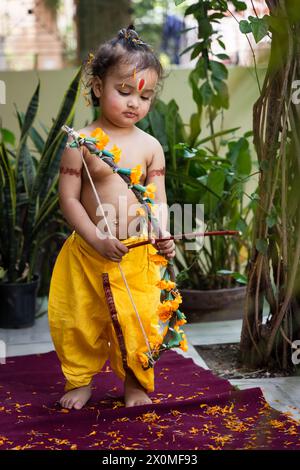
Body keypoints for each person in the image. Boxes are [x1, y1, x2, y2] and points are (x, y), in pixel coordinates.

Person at [48, 25, 175, 410]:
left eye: (146, 95)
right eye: (125, 91)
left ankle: (136, 383)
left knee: (141, 323)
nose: (135, 102)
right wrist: (95, 238)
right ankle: (80, 380)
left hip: (138, 256)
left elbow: (159, 201)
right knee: (78, 320)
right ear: (99, 86)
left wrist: (163, 234)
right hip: (89, 252)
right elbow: (68, 199)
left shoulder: (151, 147)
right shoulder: (81, 142)